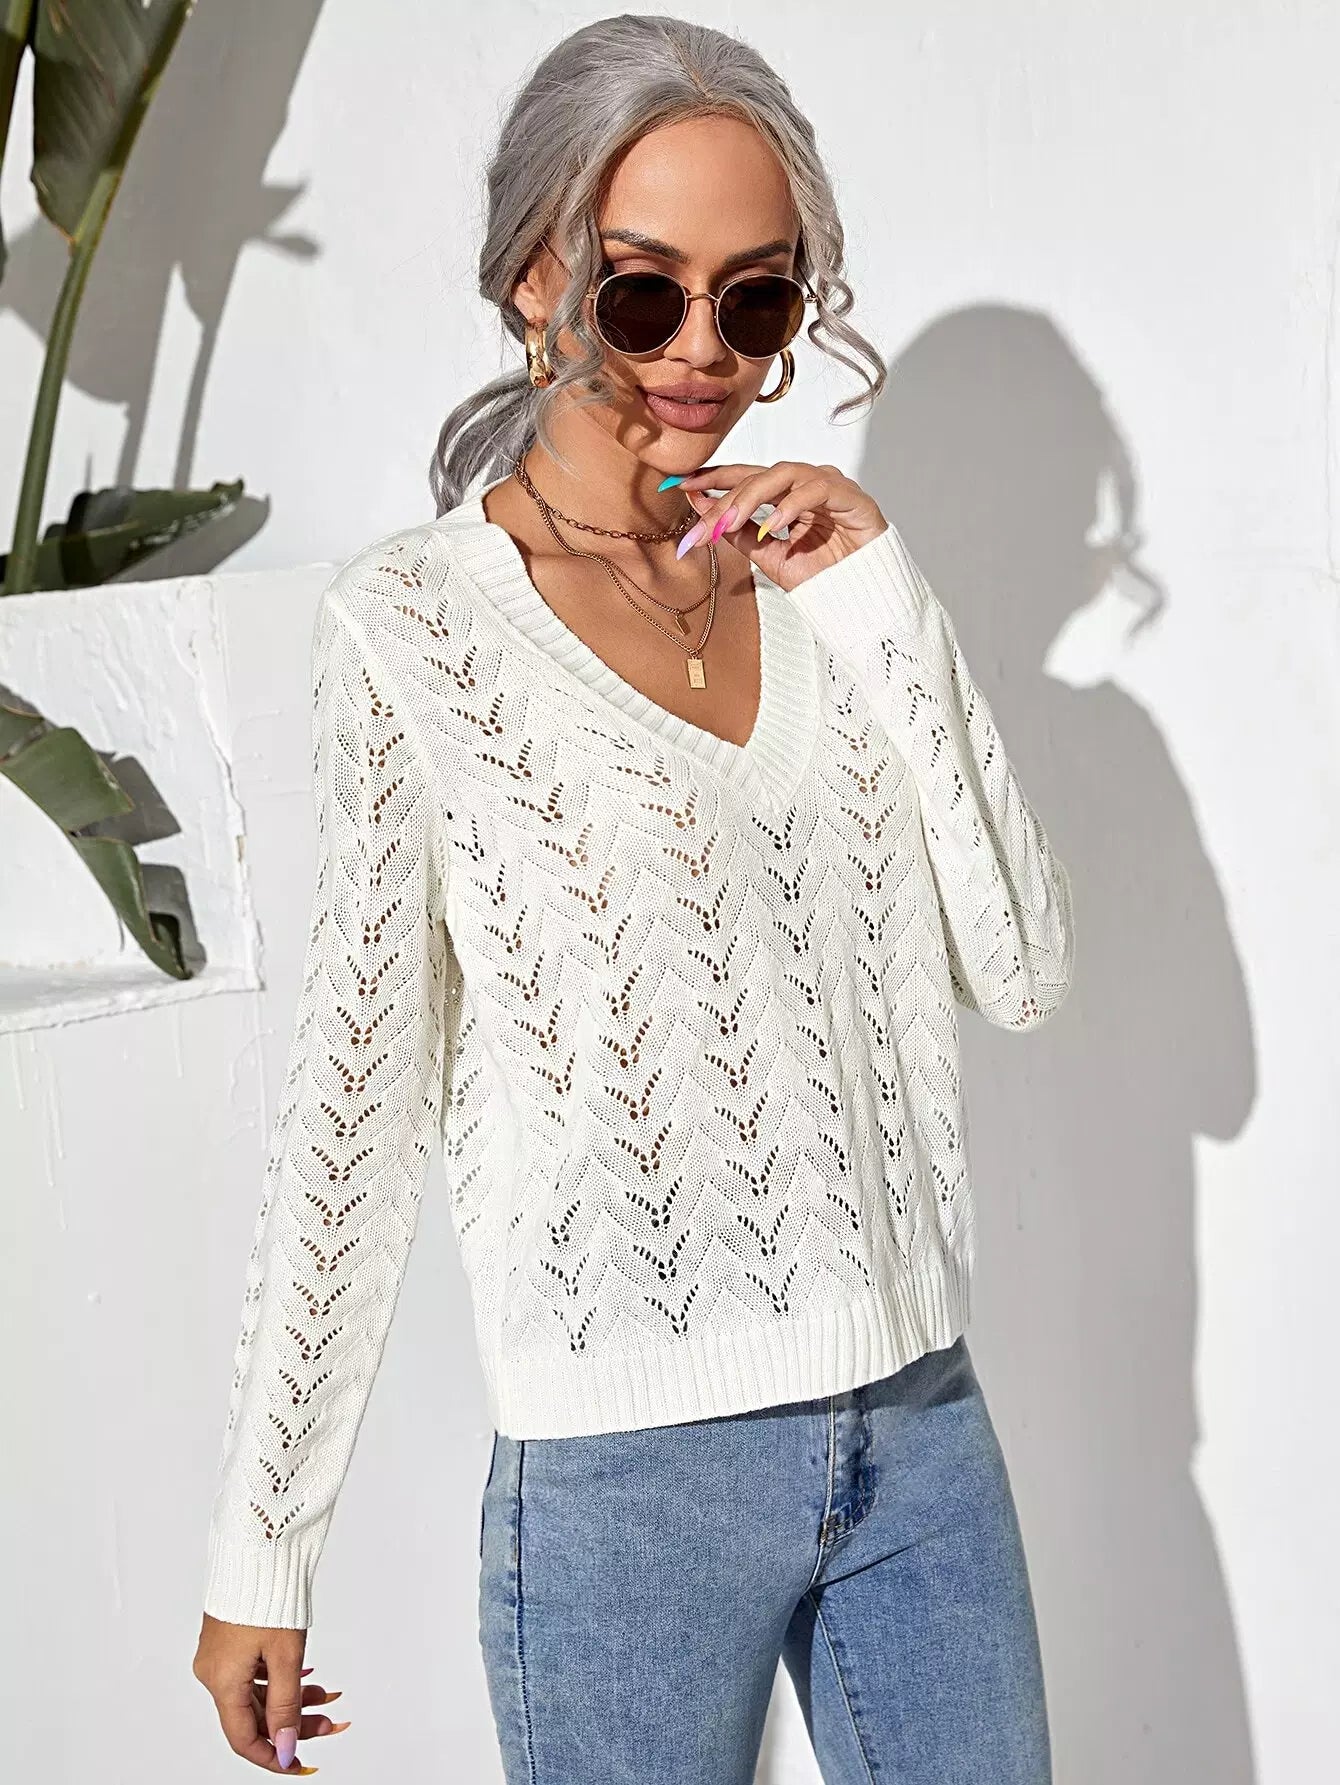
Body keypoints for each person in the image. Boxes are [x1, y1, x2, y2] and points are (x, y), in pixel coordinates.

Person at [193, 14, 1075, 1783]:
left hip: (918, 1428)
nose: (702, 356)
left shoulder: (826, 593)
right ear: (537, 278)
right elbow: (355, 1101)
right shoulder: (416, 629)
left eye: (756, 301)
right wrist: (264, 1545)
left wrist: (883, 598)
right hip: (623, 1489)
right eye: (644, 292)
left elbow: (1026, 970)